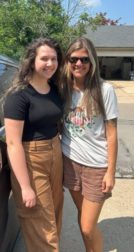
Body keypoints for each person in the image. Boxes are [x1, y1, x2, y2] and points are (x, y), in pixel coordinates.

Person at [3, 38, 64, 251]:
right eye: (44, 58)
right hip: (32, 158)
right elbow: (12, 143)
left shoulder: (54, 88)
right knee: (41, 223)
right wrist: (25, 186)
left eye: (54, 59)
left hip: (55, 151)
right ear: (32, 60)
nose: (50, 63)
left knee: (54, 214)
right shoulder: (19, 95)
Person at [60, 37, 118, 251]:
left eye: (84, 59)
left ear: (92, 61)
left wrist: (110, 171)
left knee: (86, 226)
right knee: (83, 218)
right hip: (70, 162)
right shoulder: (63, 89)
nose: (79, 64)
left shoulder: (105, 90)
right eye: (73, 59)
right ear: (67, 61)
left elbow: (112, 133)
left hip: (96, 166)